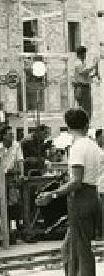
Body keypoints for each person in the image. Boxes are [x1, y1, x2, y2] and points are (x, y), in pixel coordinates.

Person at [37, 108, 100, 275]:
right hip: (92, 194)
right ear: (86, 125)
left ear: (68, 126)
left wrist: (53, 194)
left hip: (81, 198)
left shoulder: (77, 148)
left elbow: (76, 181)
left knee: (82, 247)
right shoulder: (94, 146)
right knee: (71, 246)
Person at [73, 46, 98, 118]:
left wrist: (94, 74)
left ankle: (85, 125)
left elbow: (85, 77)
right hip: (81, 88)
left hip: (84, 87)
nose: (85, 56)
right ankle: (84, 126)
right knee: (85, 109)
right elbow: (84, 72)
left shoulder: (82, 63)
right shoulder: (78, 63)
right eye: (84, 54)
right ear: (80, 54)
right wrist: (94, 66)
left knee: (86, 108)